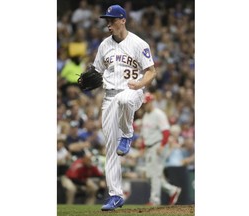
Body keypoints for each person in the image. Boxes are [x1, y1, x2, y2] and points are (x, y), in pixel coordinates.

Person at [92, 5, 157, 211]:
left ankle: (128, 133)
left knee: (124, 100)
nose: (108, 24)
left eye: (111, 20)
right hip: (109, 97)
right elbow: (96, 70)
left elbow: (151, 71)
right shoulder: (104, 45)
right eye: (106, 21)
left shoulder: (138, 44)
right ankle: (115, 195)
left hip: (133, 91)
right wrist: (90, 78)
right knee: (110, 149)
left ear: (122, 20)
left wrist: (140, 84)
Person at [141, 92, 181, 206]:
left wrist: (162, 145)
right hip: (150, 147)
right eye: (144, 104)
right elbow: (145, 134)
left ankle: (155, 200)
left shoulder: (159, 114)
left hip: (158, 145)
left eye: (147, 103)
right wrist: (143, 147)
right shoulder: (146, 115)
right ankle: (172, 190)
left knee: (155, 174)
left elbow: (166, 132)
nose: (145, 106)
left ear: (152, 102)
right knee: (149, 175)